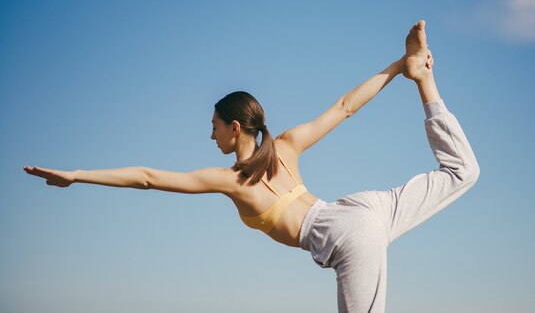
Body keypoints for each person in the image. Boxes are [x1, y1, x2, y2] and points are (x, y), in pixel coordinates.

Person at [24, 20, 480, 313]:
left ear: (235, 127)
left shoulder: (234, 181)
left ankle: (418, 72)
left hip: (346, 235)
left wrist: (76, 175)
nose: (211, 135)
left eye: (214, 126)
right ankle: (426, 81)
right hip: (363, 210)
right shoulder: (286, 145)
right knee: (463, 173)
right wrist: (401, 65)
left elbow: (147, 178)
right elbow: (344, 107)